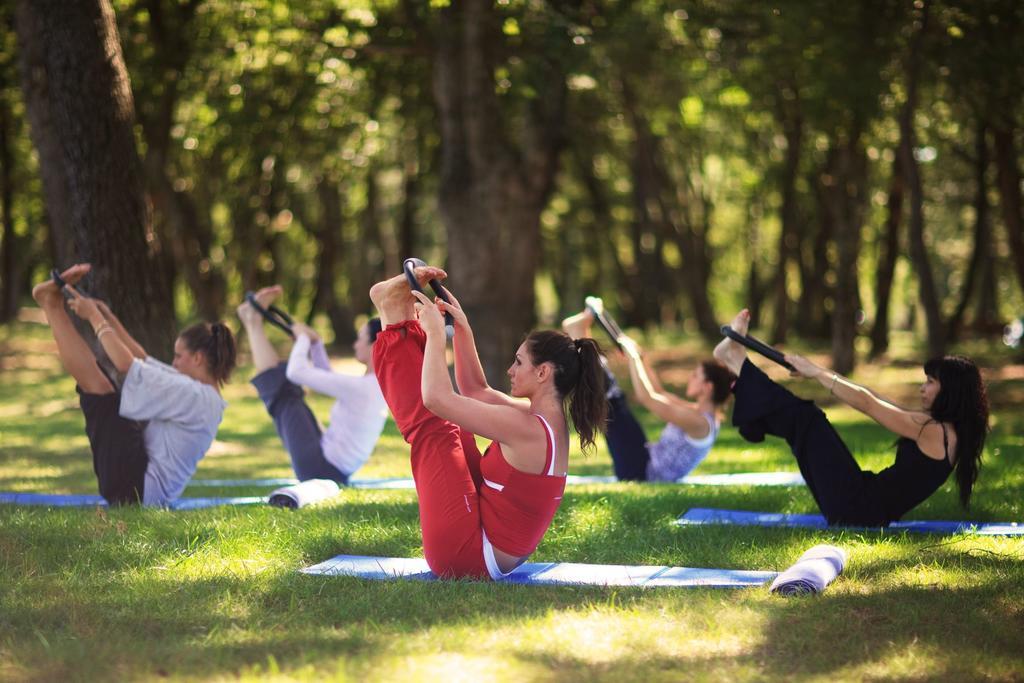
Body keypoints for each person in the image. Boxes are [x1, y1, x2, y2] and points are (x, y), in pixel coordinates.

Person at [368, 264, 607, 579]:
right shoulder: (541, 419)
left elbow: (436, 400)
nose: (510, 370)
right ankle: (396, 318)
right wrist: (462, 328)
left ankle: (394, 318)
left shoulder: (529, 429)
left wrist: (437, 334)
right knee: (454, 427)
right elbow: (476, 391)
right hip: (482, 538)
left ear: (543, 372)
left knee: (436, 429)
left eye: (518, 362)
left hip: (468, 557)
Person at [713, 308, 990, 526]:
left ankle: (738, 364)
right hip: (860, 504)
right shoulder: (948, 432)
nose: (922, 387)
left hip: (855, 509)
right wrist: (818, 371)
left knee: (808, 418)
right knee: (804, 421)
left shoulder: (933, 431)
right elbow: (875, 397)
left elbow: (868, 405)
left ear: (951, 391)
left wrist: (818, 373)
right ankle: (739, 367)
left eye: (930, 382)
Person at [31, 264, 236, 506]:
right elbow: (142, 360)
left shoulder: (193, 395)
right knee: (106, 393)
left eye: (178, 356)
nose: (174, 362)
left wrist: (94, 317)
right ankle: (51, 303)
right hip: (138, 483)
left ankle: (52, 307)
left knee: (103, 394)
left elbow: (126, 364)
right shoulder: (201, 393)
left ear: (198, 358)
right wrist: (109, 317)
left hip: (135, 491)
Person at [562, 304, 736, 482]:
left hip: (640, 471)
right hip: (641, 459)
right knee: (612, 398)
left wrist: (633, 358)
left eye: (696, 376)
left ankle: (579, 336)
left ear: (708, 387)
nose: (691, 378)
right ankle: (579, 335)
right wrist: (641, 358)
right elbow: (658, 391)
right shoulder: (701, 415)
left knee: (611, 400)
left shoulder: (699, 423)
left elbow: (647, 398)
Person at [237, 286, 388, 484]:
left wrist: (303, 339)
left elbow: (296, 372)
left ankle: (252, 321)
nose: (355, 345)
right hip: (330, 468)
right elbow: (325, 377)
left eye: (360, 339)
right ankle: (252, 321)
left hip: (320, 469)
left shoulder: (365, 387)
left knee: (286, 395)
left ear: (375, 346)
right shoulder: (374, 385)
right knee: (288, 394)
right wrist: (315, 343)